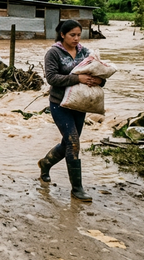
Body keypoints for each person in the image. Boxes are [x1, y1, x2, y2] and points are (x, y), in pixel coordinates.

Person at [40, 19, 103, 202]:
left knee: (69, 143)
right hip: (59, 104)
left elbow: (98, 73)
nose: (76, 38)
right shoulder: (53, 53)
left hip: (80, 104)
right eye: (72, 35)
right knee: (74, 143)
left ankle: (45, 163)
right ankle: (77, 189)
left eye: (78, 35)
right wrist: (78, 79)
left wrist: (99, 81)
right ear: (62, 35)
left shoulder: (86, 52)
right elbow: (52, 78)